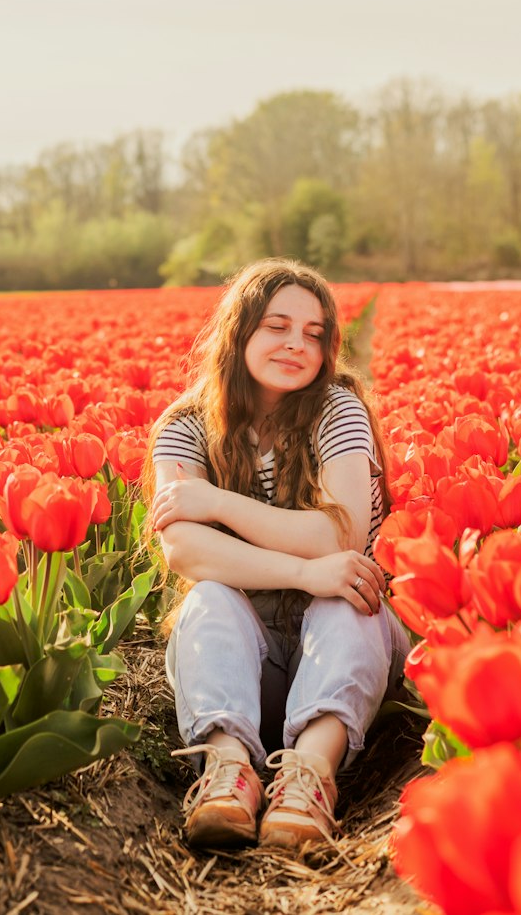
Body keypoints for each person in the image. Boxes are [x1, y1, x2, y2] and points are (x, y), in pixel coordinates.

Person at [144, 258, 409, 853]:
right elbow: (184, 547)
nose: (297, 344)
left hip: (348, 654)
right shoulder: (185, 428)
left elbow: (336, 537)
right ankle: (228, 771)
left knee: (347, 595)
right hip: (246, 662)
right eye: (277, 326)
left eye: (314, 334)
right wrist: (302, 571)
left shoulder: (338, 411)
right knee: (208, 599)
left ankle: (308, 778)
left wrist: (214, 500)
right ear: (238, 332)